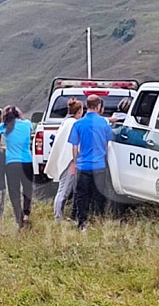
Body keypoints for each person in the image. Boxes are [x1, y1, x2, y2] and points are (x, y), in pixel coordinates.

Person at [68, 95, 114, 230]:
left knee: (82, 196)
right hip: (99, 165)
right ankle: (98, 220)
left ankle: (82, 223)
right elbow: (107, 144)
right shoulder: (104, 123)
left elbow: (75, 147)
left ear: (86, 106)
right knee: (99, 195)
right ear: (99, 106)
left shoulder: (78, 124)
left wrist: (76, 161)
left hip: (83, 165)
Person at [46, 98, 83, 221]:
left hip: (64, 159)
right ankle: (58, 216)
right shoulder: (73, 124)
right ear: (79, 111)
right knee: (64, 190)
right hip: (70, 161)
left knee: (63, 188)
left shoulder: (66, 122)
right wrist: (76, 159)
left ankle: (59, 214)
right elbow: (73, 145)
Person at [0, 105, 34, 229]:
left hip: (11, 163)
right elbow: (25, 122)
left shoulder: (4, 127)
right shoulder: (27, 124)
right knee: (27, 188)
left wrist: (2, 116)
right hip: (26, 161)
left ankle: (19, 218)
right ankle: (27, 213)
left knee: (14, 192)